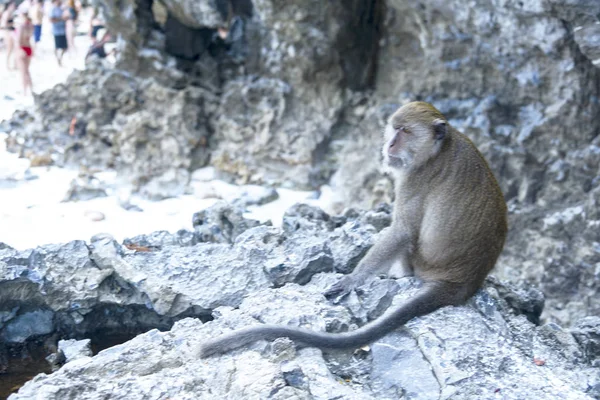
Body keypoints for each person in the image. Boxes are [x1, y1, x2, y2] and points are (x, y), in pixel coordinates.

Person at [15, 12, 33, 96]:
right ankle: (31, 88)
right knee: (27, 70)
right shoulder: (30, 25)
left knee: (23, 72)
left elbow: (18, 41)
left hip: (22, 48)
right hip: (29, 48)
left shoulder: (21, 26)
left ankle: (25, 91)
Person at [50, 0, 67, 66]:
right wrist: (61, 19)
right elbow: (51, 19)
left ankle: (60, 58)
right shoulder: (53, 9)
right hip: (56, 30)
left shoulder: (62, 9)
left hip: (63, 30)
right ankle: (58, 59)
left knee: (64, 47)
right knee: (57, 47)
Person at [1, 1, 16, 70]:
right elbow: (3, 25)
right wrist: (12, 24)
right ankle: (7, 65)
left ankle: (11, 64)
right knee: (9, 49)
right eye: (12, 5)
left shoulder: (9, 13)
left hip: (10, 32)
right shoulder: (7, 13)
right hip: (8, 32)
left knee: (12, 49)